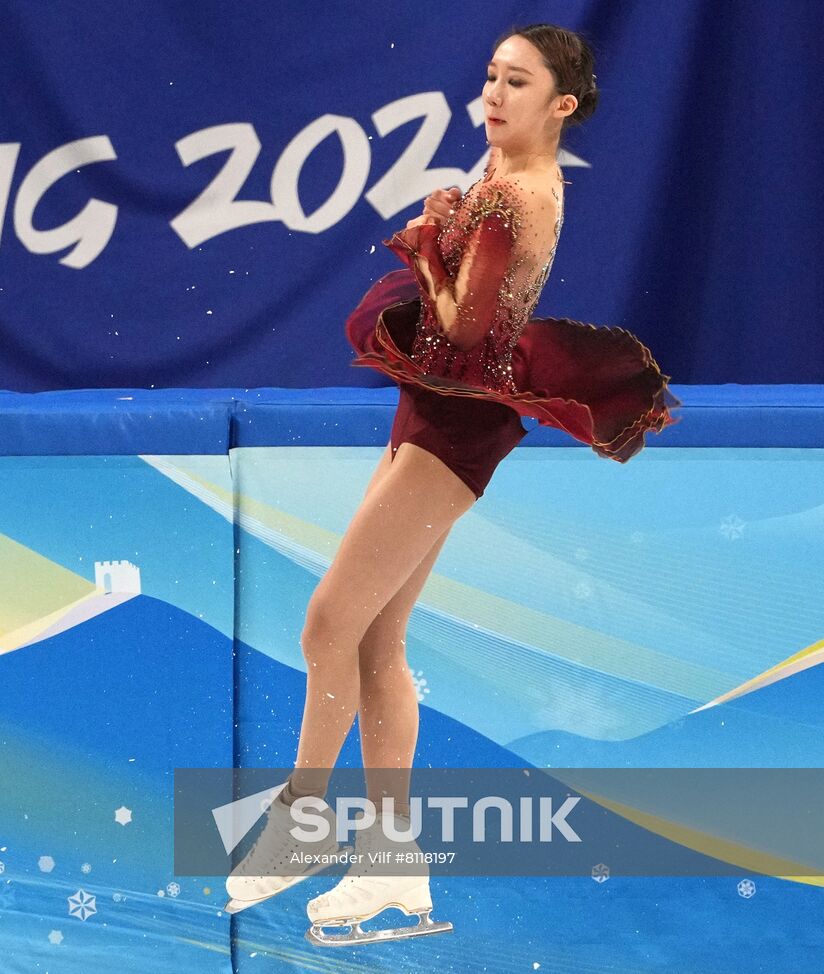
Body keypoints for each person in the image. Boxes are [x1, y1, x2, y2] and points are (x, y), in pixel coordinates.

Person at [224, 23, 681, 946]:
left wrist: (431, 242)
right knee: (376, 641)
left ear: (562, 104)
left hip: (458, 417)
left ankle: (304, 823)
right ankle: (390, 869)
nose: (494, 93)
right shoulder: (499, 175)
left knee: (329, 622)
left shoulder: (515, 193)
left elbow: (467, 333)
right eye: (489, 76)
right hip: (436, 407)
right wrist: (447, 226)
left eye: (518, 83)